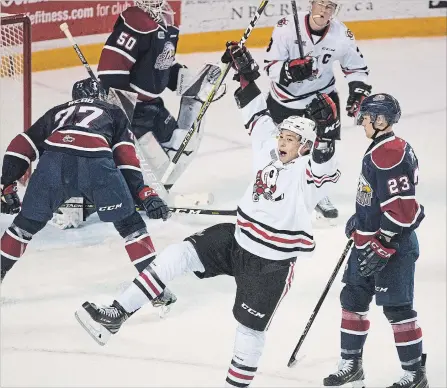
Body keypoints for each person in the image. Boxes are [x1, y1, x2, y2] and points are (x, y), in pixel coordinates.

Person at [74, 43, 341, 386]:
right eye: (282, 135)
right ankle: (116, 313)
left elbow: (325, 163)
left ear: (304, 145)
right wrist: (245, 75)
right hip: (236, 239)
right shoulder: (267, 150)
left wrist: (329, 127)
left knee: (248, 332)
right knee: (177, 255)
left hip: (271, 262)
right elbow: (257, 115)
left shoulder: (308, 173)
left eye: (290, 138)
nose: (282, 141)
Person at [0, 79, 174, 310]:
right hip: (96, 163)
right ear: (101, 97)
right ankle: (156, 290)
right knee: (131, 226)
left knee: (22, 227)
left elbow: (20, 144)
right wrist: (143, 192)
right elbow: (126, 158)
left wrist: (6, 183)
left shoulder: (57, 111)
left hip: (52, 164)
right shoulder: (114, 111)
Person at [323, 94, 428, 388]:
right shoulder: (382, 148)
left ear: (380, 120)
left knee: (398, 309)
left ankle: (414, 373)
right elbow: (379, 195)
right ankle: (352, 365)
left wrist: (383, 240)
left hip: (392, 247)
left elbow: (404, 208)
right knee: (353, 299)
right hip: (368, 243)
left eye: (367, 117)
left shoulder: (389, 154)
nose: (362, 122)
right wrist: (363, 219)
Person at [97, 0, 222, 189]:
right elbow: (110, 70)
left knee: (181, 145)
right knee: (141, 163)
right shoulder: (135, 23)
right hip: (133, 113)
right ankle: (136, 192)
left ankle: (152, 190)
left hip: (152, 108)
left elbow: (162, 67)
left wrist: (197, 83)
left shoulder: (164, 22)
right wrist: (122, 115)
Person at [264, 0, 371, 219]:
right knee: (285, 150)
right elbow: (269, 65)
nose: (323, 9)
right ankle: (279, 188)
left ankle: (319, 193)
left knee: (324, 149)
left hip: (321, 98)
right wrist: (290, 71)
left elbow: (357, 68)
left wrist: (357, 92)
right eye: (320, 3)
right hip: (286, 100)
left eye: (330, 6)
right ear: (311, 4)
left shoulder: (341, 35)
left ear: (335, 11)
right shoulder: (286, 27)